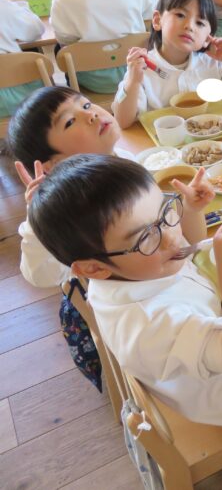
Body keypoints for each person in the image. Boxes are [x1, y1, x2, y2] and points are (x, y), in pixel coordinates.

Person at [27, 154, 222, 426]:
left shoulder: (137, 264)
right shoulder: (148, 325)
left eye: (165, 210)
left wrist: (191, 210)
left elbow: (188, 244)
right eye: (145, 235)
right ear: (93, 268)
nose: (171, 236)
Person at [9, 86, 134, 389]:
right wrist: (38, 218)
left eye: (87, 105)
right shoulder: (68, 209)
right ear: (51, 165)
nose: (90, 115)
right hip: (122, 306)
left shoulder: (120, 159)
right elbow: (38, 274)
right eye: (69, 121)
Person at [113, 0, 222, 128]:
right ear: (158, 21)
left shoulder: (213, 62)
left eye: (200, 23)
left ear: (207, 38)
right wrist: (132, 82)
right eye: (180, 15)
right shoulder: (142, 68)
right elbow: (122, 121)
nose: (189, 26)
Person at [0, 0, 46, 117]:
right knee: (36, 58)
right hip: (24, 98)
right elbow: (36, 30)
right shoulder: (3, 6)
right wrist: (23, 7)